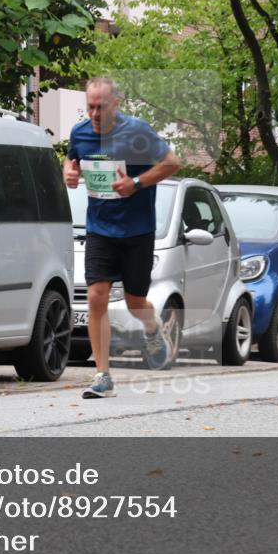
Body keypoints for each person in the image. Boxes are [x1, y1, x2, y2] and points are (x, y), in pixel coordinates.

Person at [64, 77, 180, 398]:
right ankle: (103, 376)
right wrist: (69, 174)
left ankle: (152, 329)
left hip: (137, 230)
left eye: (101, 107)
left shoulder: (138, 131)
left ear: (117, 103)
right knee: (96, 296)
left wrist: (137, 183)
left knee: (134, 302)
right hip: (100, 228)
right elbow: (71, 160)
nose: (95, 113)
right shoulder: (80, 132)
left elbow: (172, 163)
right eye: (90, 106)